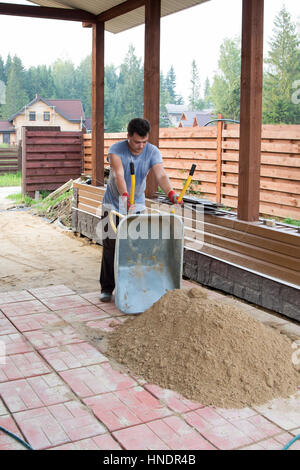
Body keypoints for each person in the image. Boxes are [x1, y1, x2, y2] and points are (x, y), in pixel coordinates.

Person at [99, 117, 182, 302]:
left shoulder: (152, 151)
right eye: (137, 141)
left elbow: (160, 174)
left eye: (144, 141)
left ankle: (134, 287)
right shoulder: (116, 150)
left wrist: (171, 193)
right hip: (113, 203)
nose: (141, 146)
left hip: (137, 205)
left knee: (137, 247)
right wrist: (125, 197)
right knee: (110, 246)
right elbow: (119, 174)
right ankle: (106, 288)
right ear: (128, 136)